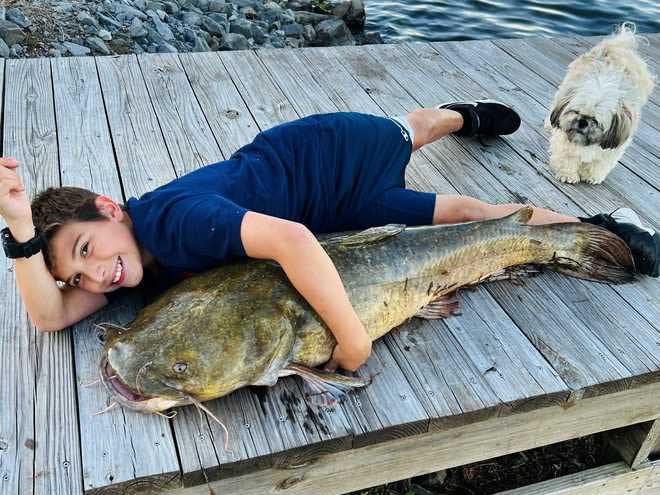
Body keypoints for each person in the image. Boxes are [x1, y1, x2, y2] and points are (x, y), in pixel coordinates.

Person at [1, 102, 657, 373]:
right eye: (80, 275)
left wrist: (352, 337)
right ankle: (578, 217)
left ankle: (476, 124)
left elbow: (291, 242)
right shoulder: (127, 262)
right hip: (345, 213)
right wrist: (24, 238)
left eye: (88, 251)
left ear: (111, 210)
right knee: (467, 212)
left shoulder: (170, 220)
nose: (96, 278)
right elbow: (50, 311)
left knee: (412, 129)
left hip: (326, 155)